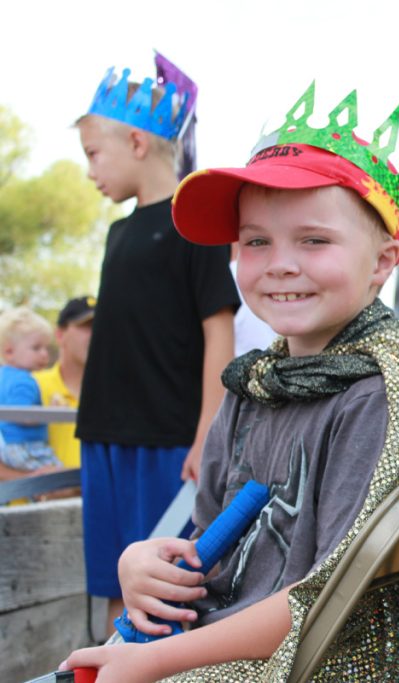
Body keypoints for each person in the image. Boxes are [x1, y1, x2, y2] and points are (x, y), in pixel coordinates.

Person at [62, 83, 399, 682]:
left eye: (314, 239)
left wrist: (152, 661)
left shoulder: (383, 391)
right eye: (255, 241)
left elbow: (330, 597)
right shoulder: (257, 382)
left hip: (322, 661)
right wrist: (145, 562)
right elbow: (210, 541)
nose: (279, 263)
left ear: (383, 259)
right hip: (221, 640)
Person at [74, 63, 239, 633]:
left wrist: (206, 433)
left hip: (167, 439)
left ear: (137, 142)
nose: (89, 169)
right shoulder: (119, 231)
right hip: (102, 434)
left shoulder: (195, 224)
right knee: (113, 578)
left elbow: (220, 329)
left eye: (94, 153)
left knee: (167, 584)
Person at [0, 306, 63, 480]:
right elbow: (23, 415)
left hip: (6, 445)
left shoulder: (4, 376)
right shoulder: (23, 381)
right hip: (24, 446)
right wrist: (51, 413)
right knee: (59, 478)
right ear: (9, 352)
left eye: (46, 348)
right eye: (36, 348)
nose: (44, 354)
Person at [33, 296, 96, 469]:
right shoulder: (31, 385)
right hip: (35, 495)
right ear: (60, 335)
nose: (96, 333)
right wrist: (38, 482)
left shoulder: (117, 394)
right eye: (86, 326)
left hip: (90, 496)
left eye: (101, 326)